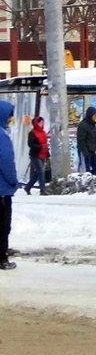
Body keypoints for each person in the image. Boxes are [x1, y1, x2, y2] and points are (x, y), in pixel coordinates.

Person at [1, 101, 18, 269]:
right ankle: (1, 258)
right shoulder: (2, 136)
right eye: (9, 116)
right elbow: (6, 162)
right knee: (3, 225)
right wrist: (13, 181)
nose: (11, 119)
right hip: (2, 191)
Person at [25, 116, 49, 195]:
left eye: (42, 122)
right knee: (41, 172)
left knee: (38, 173)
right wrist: (39, 147)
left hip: (43, 154)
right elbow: (30, 144)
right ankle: (42, 189)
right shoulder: (32, 133)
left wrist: (47, 152)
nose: (41, 124)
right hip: (35, 155)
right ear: (36, 123)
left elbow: (45, 143)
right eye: (40, 122)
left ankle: (28, 187)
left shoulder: (43, 132)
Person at [77, 106, 96, 176]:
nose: (95, 117)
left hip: (92, 150)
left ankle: (91, 180)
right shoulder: (83, 125)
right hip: (84, 151)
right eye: (94, 115)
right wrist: (85, 153)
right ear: (90, 115)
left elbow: (95, 138)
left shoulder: (93, 125)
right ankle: (85, 183)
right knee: (86, 171)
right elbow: (81, 140)